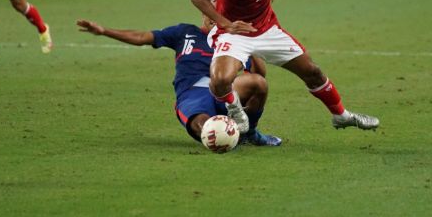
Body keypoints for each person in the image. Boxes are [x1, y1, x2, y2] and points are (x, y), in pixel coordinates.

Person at [190, 0, 379, 134]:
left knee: (313, 72)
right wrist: (226, 23)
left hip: (267, 28)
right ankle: (235, 109)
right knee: (221, 79)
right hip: (235, 32)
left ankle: (341, 116)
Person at [76, 15, 281, 147]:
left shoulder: (234, 42)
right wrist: (104, 31)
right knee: (204, 127)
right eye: (211, 11)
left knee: (258, 84)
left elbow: (260, 74)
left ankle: (250, 133)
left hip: (226, 94)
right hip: (192, 94)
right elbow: (142, 37)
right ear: (204, 12)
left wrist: (251, 44)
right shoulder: (185, 32)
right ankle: (220, 137)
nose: (213, 17)